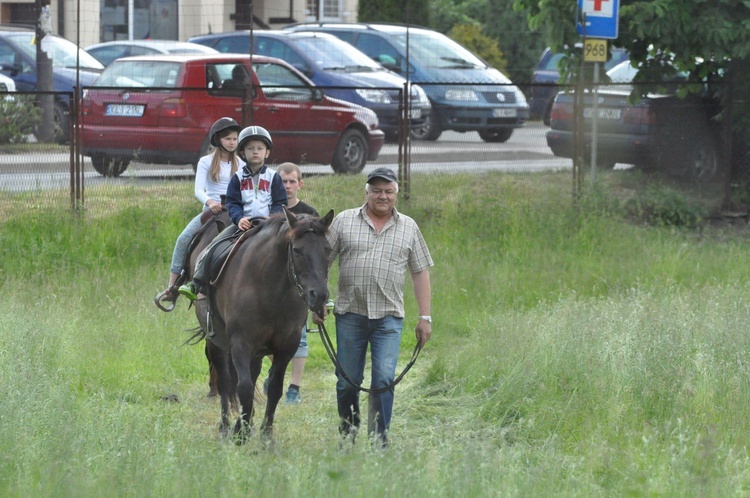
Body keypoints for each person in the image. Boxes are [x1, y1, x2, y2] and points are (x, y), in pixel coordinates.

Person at [313, 167, 433, 448]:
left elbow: (420, 272)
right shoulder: (343, 221)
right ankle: (348, 433)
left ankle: (379, 439)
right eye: (376, 190)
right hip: (350, 314)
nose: (382, 196)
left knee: (383, 379)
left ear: (396, 194)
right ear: (366, 193)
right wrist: (319, 302)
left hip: (388, 318)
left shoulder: (409, 227)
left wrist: (424, 317)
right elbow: (323, 262)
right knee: (347, 381)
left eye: (388, 191)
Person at [178, 125, 287, 301]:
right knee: (215, 244)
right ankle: (197, 282)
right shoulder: (237, 178)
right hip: (244, 224)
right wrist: (239, 219)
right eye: (250, 149)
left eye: (260, 148)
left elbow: (280, 203)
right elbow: (233, 203)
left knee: (294, 247)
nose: (255, 152)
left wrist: (272, 218)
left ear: (267, 153)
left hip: (270, 225)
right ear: (243, 152)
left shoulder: (274, 177)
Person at [156, 117, 242, 302]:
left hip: (234, 210)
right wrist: (210, 202)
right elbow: (198, 190)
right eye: (228, 139)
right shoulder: (206, 161)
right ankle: (173, 286)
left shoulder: (241, 164)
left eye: (235, 139)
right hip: (212, 210)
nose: (232, 142)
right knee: (184, 238)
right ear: (218, 140)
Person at [262, 162, 319, 404]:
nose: (287, 186)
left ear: (300, 184)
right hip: (273, 287)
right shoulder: (271, 212)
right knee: (271, 336)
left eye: (291, 181)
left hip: (299, 286)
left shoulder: (309, 213)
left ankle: (294, 387)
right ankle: (275, 374)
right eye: (283, 182)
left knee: (300, 336)